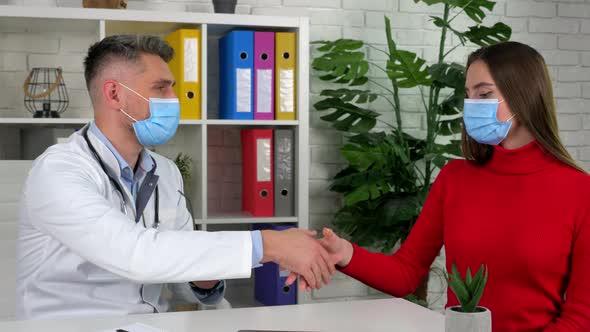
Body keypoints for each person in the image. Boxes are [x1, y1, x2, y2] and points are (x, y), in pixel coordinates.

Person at [16, 35, 335, 320]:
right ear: (114, 94)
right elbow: (134, 253)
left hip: (148, 325)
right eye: (160, 88)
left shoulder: (164, 171)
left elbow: (182, 285)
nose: (174, 99)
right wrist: (271, 244)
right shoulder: (59, 171)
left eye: (172, 87)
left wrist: (204, 277)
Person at [312, 41, 590, 331]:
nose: (471, 106)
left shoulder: (580, 191)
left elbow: (581, 316)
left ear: (525, 95)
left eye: (483, 94)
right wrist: (345, 254)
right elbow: (405, 272)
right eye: (468, 96)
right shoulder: (455, 178)